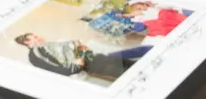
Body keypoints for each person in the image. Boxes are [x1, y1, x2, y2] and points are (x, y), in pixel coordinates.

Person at [14, 33, 150, 81]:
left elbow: (80, 50)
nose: (39, 37)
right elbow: (62, 69)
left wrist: (80, 48)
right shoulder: (35, 55)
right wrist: (78, 60)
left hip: (98, 58)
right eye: (34, 37)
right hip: (94, 66)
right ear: (26, 43)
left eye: (37, 35)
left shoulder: (50, 45)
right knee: (132, 75)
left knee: (134, 64)